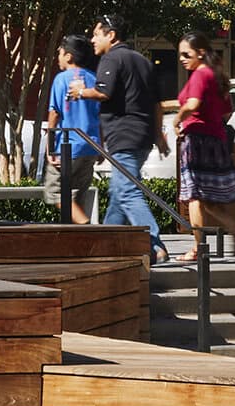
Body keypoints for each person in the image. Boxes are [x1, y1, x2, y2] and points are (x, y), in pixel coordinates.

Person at [76, 16, 170, 264]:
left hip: (124, 135)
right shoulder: (143, 61)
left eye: (97, 34)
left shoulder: (112, 58)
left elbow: (103, 92)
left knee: (127, 192)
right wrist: (159, 135)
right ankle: (107, 245)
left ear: (112, 35)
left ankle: (155, 245)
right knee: (119, 193)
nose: (92, 39)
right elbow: (156, 104)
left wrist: (80, 92)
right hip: (142, 136)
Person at [170, 33, 235, 261]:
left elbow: (192, 104)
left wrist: (177, 120)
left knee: (193, 196)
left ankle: (198, 247)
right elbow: (225, 111)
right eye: (180, 55)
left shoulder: (200, 74)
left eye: (187, 54)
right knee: (207, 200)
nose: (183, 59)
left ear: (201, 53)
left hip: (197, 140)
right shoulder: (215, 76)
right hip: (215, 140)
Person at [41, 36, 101, 224]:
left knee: (56, 192)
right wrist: (101, 147)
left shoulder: (61, 79)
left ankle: (87, 226)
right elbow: (101, 117)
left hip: (67, 148)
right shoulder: (94, 79)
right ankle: (80, 245)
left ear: (68, 56)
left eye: (59, 53)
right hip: (91, 146)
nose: (57, 58)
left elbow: (54, 114)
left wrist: (50, 148)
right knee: (77, 196)